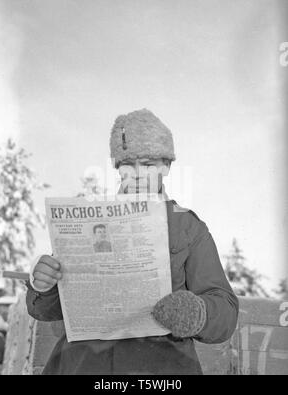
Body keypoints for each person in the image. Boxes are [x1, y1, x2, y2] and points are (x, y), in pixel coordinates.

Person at [26, 108, 239, 375]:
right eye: (128, 165)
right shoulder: (91, 218)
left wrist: (198, 312)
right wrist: (43, 287)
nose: (137, 174)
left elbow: (225, 310)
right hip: (81, 365)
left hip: (160, 370)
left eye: (148, 164)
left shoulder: (188, 227)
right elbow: (51, 310)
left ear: (166, 167)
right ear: (118, 168)